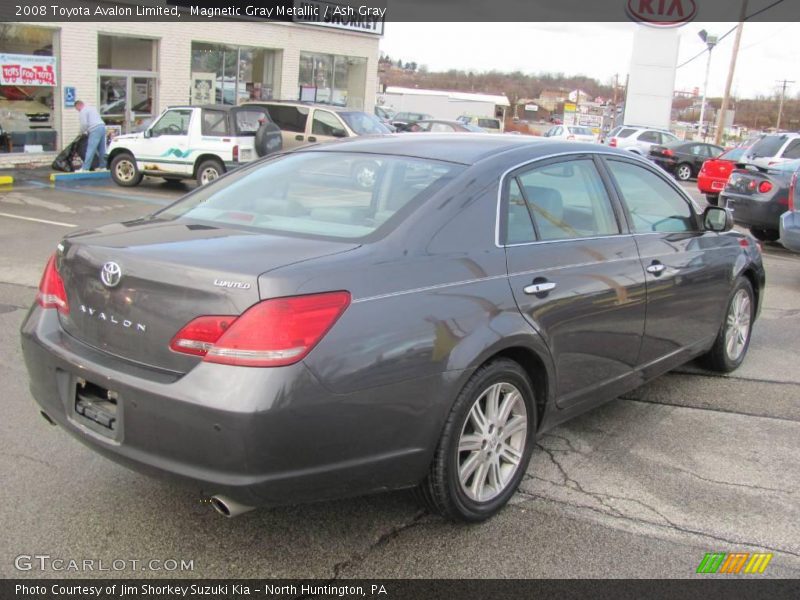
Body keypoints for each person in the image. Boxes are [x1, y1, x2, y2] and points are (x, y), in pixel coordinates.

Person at [74, 100, 106, 171]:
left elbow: (84, 124)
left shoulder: (83, 111)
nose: (78, 111)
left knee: (90, 149)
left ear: (78, 105)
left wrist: (81, 132)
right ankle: (103, 166)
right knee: (102, 149)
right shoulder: (92, 108)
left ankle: (85, 168)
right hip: (102, 127)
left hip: (94, 129)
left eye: (77, 109)